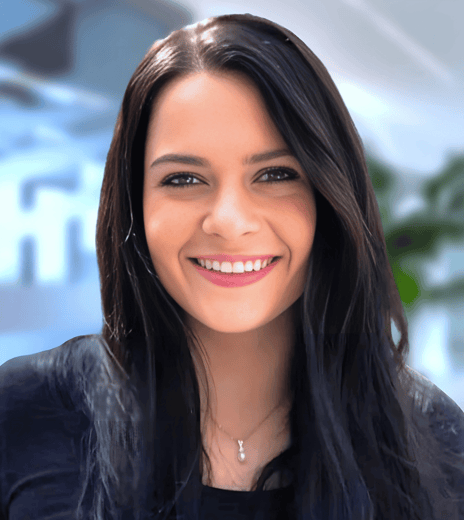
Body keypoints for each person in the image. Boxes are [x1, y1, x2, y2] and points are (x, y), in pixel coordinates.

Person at [0, 13, 463, 520]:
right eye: (182, 179)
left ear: (329, 197)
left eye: (274, 173)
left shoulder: (433, 441)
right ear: (134, 206)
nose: (228, 220)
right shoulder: (23, 414)